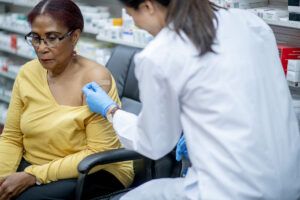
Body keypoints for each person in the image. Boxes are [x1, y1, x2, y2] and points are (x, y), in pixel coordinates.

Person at [83, 0, 300, 199]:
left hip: (230, 190)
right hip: (290, 182)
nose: (136, 24)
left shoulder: (160, 54)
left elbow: (153, 144)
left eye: (132, 15)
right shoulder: (251, 24)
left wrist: (111, 110)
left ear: (148, 6)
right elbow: (243, 94)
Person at [0, 0, 134, 199]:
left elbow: (98, 150)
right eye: (36, 38)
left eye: (52, 38)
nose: (42, 48)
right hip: (37, 164)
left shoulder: (96, 79)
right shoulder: (27, 73)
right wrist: (3, 178)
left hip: (93, 169)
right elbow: (12, 136)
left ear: (75, 36)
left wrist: (33, 175)